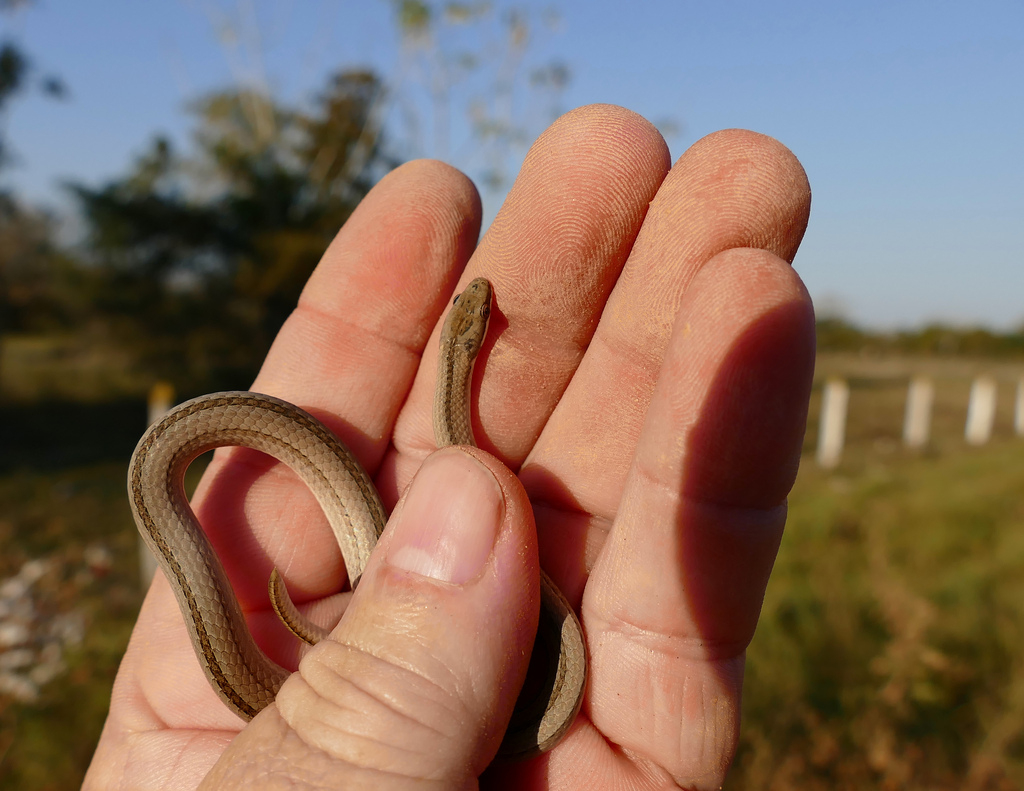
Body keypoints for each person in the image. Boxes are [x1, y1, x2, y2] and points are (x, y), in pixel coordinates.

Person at [84, 104, 814, 790]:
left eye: (474, 315)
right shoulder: (448, 421)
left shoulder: (453, 412)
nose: (477, 314)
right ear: (473, 341)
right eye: (475, 315)